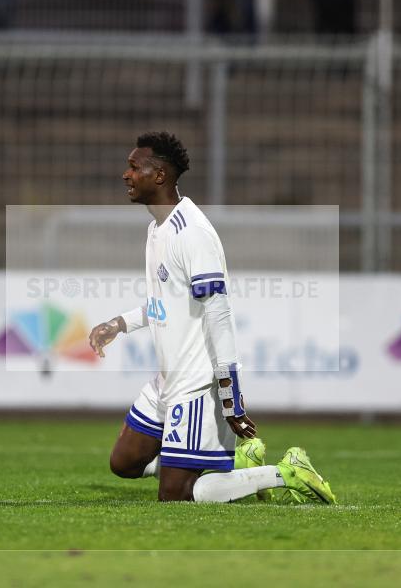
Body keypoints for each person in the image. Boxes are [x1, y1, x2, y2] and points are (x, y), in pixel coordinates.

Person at [88, 131, 337, 504]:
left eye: (134, 167)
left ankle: (286, 473)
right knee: (124, 462)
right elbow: (166, 303)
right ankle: (231, 462)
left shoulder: (192, 234)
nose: (126, 174)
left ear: (159, 176)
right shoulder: (157, 229)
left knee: (177, 495)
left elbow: (219, 315)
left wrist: (229, 395)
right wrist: (119, 324)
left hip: (196, 383)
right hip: (167, 379)